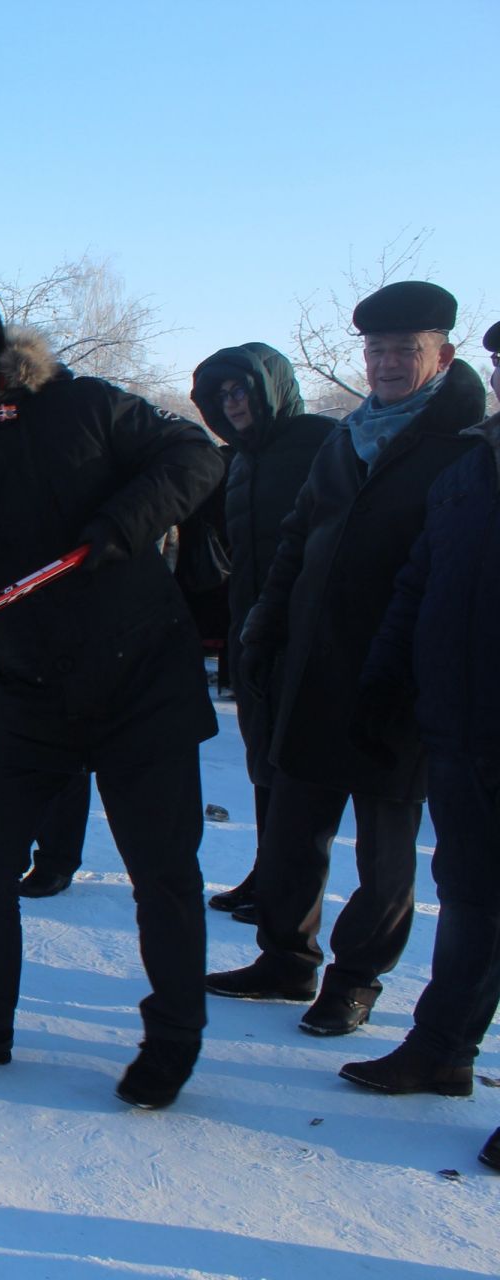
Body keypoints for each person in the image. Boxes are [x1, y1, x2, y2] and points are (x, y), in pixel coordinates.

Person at [0, 280, 224, 1109]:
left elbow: (195, 456)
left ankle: (174, 1036)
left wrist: (122, 525)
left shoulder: (83, 407)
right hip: (28, 693)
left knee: (162, 873)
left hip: (142, 681)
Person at [210, 281, 488, 1035]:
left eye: (406, 350)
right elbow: (300, 536)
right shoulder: (348, 434)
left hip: (397, 675)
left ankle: (356, 978)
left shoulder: (462, 445)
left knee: (385, 843)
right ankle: (285, 958)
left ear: (444, 355)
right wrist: (264, 627)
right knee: (295, 823)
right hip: (312, 661)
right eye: (377, 350)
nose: (388, 364)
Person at [339, 320, 500, 1173]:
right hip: (465, 725)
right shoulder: (471, 468)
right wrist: (384, 681)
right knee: (470, 897)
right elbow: (419, 582)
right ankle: (442, 1049)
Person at [185, 343, 334, 920]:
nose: (233, 403)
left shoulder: (320, 442)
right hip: (253, 629)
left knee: (298, 770)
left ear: (269, 388)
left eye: (241, 390)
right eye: (221, 396)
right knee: (263, 758)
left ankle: (290, 889)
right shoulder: (240, 458)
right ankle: (268, 870)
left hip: (306, 631)